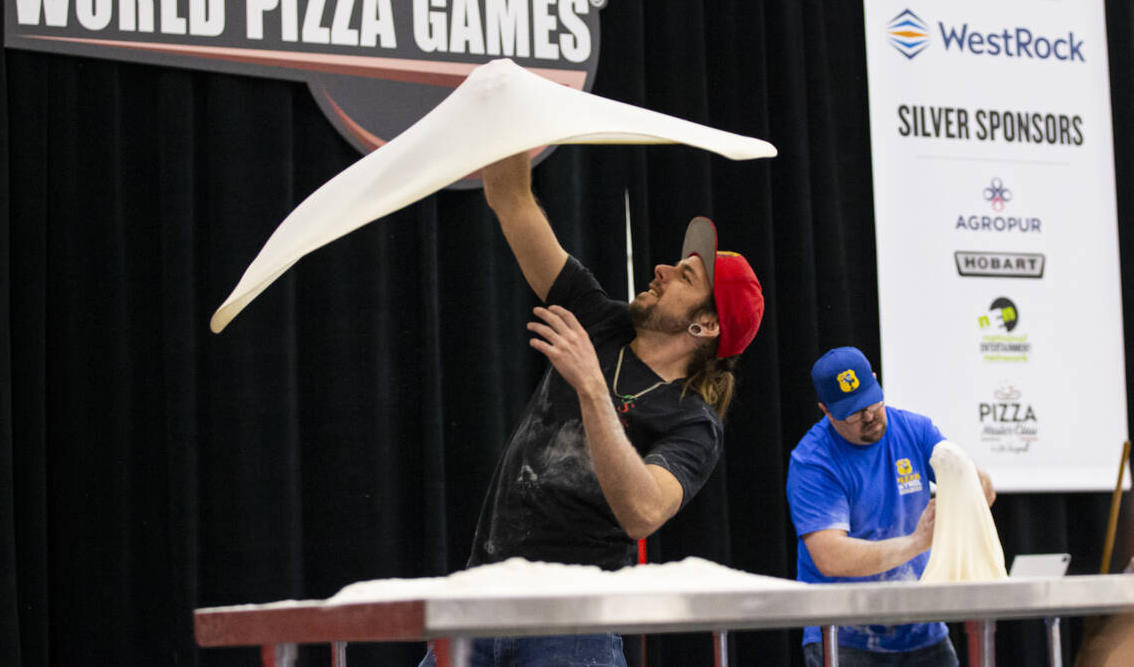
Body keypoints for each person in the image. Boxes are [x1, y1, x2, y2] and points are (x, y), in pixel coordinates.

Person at [419, 152, 765, 667]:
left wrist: (591, 388)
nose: (662, 270)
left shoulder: (694, 422)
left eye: (686, 278)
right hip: (480, 602)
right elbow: (510, 200)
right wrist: (508, 113)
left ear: (706, 326)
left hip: (570, 628)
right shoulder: (601, 321)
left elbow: (644, 513)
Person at [786, 346, 996, 667]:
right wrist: (916, 543)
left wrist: (969, 481)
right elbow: (830, 556)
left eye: (872, 402)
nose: (869, 417)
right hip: (843, 635)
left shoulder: (915, 430)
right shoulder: (813, 462)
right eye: (853, 413)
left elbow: (982, 490)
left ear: (874, 380)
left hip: (923, 629)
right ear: (826, 411)